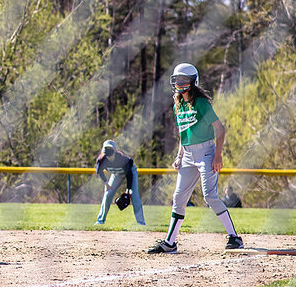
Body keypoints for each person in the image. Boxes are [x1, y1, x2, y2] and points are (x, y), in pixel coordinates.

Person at [147, 62, 243, 253]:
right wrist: (179, 156)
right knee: (178, 197)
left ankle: (235, 237)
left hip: (206, 152)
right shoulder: (178, 105)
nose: (180, 84)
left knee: (209, 196)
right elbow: (184, 134)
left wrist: (217, 156)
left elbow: (220, 129)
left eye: (185, 80)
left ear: (193, 82)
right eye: (177, 81)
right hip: (188, 155)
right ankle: (170, 242)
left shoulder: (200, 103)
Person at [94, 139, 145, 225]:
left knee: (134, 195)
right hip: (116, 174)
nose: (108, 153)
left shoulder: (122, 160)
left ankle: (140, 221)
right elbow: (99, 171)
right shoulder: (101, 160)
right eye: (106, 150)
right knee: (107, 194)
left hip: (131, 172)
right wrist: (106, 183)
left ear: (115, 150)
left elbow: (129, 174)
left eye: (110, 150)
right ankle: (100, 220)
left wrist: (128, 188)